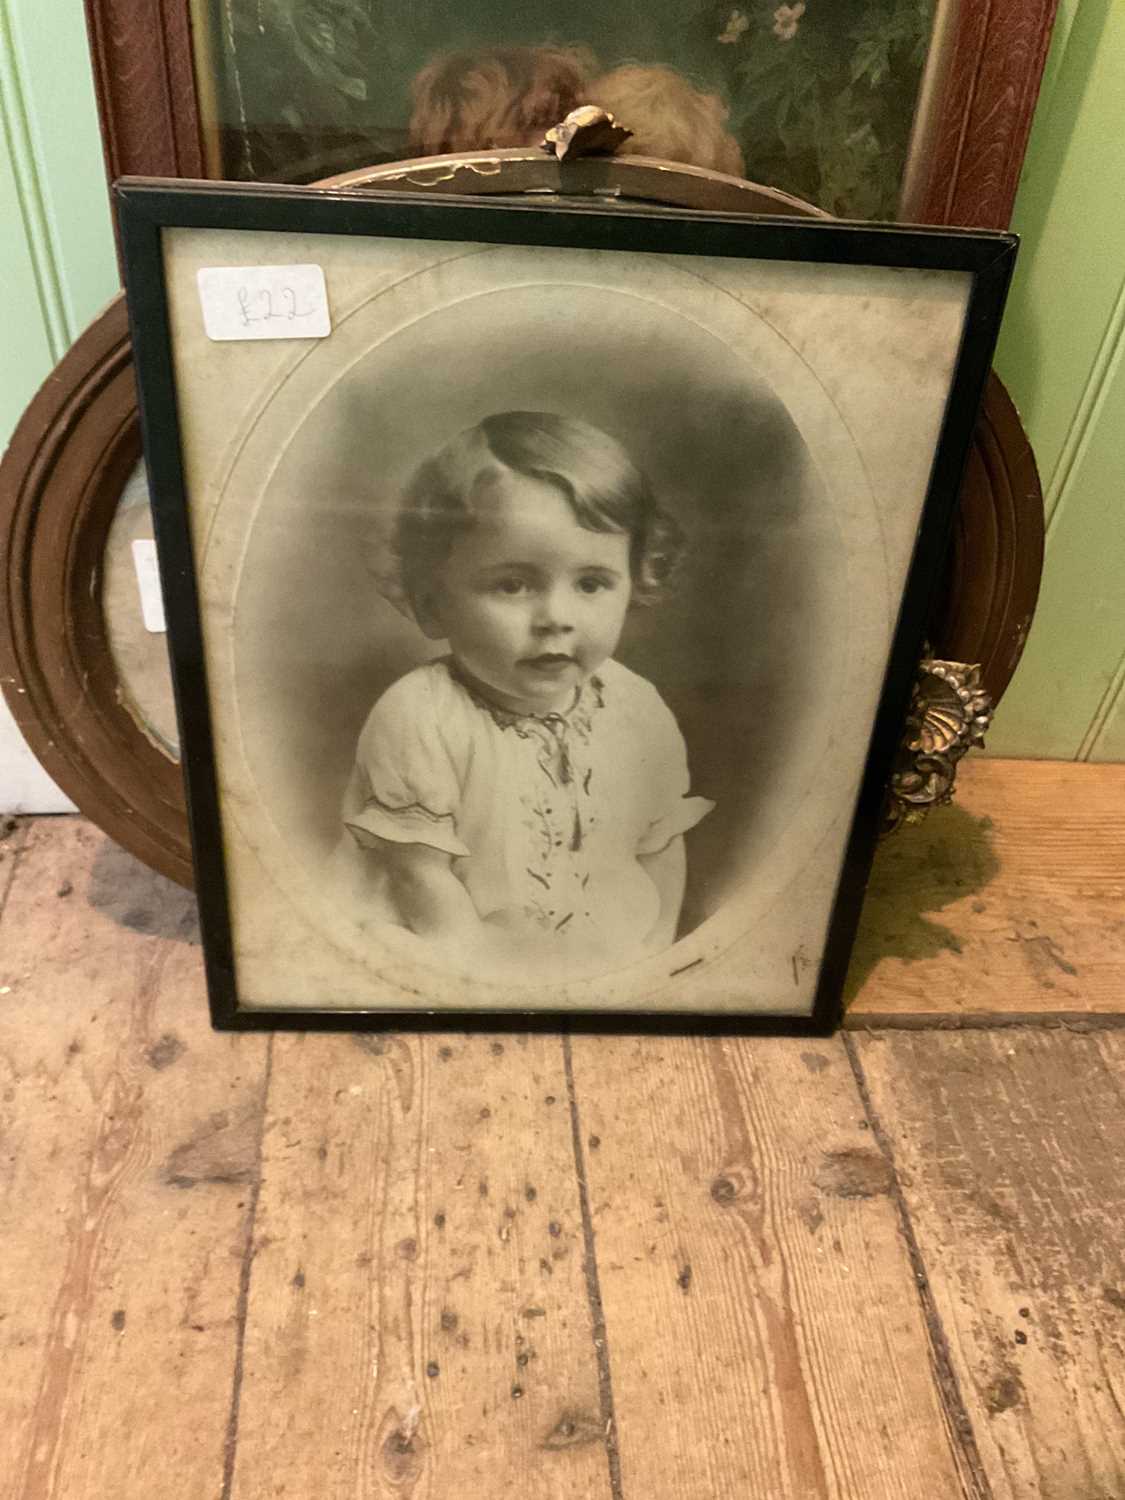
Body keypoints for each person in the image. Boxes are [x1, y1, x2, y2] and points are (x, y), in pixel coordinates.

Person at [339, 411, 713, 979]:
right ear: (433, 600)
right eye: (512, 585)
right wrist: (487, 978)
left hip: (603, 957)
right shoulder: (420, 715)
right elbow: (420, 878)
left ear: (636, 581)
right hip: (456, 955)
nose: (556, 619)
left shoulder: (637, 706)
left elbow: (659, 846)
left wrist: (652, 952)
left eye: (591, 583)